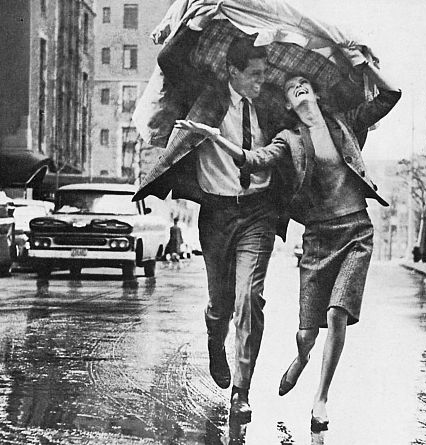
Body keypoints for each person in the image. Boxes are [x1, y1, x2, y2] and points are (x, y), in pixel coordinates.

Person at [175, 55, 401, 433]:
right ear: (288, 103)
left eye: (305, 84)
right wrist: (215, 137)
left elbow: (389, 96)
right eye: (291, 87)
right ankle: (269, 350)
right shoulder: (287, 137)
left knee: (301, 307)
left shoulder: (342, 124)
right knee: (257, 315)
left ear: (315, 92)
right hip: (284, 229)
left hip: (335, 228)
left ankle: (276, 395)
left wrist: (363, 60)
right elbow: (257, 157)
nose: (297, 87)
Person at [134, 37, 287, 422]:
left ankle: (242, 390)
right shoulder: (207, 95)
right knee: (221, 304)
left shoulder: (269, 105)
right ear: (232, 71)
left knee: (249, 299)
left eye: (264, 73)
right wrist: (195, 21)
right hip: (217, 214)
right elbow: (169, 60)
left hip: (259, 213)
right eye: (254, 74)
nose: (261, 80)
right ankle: (215, 343)